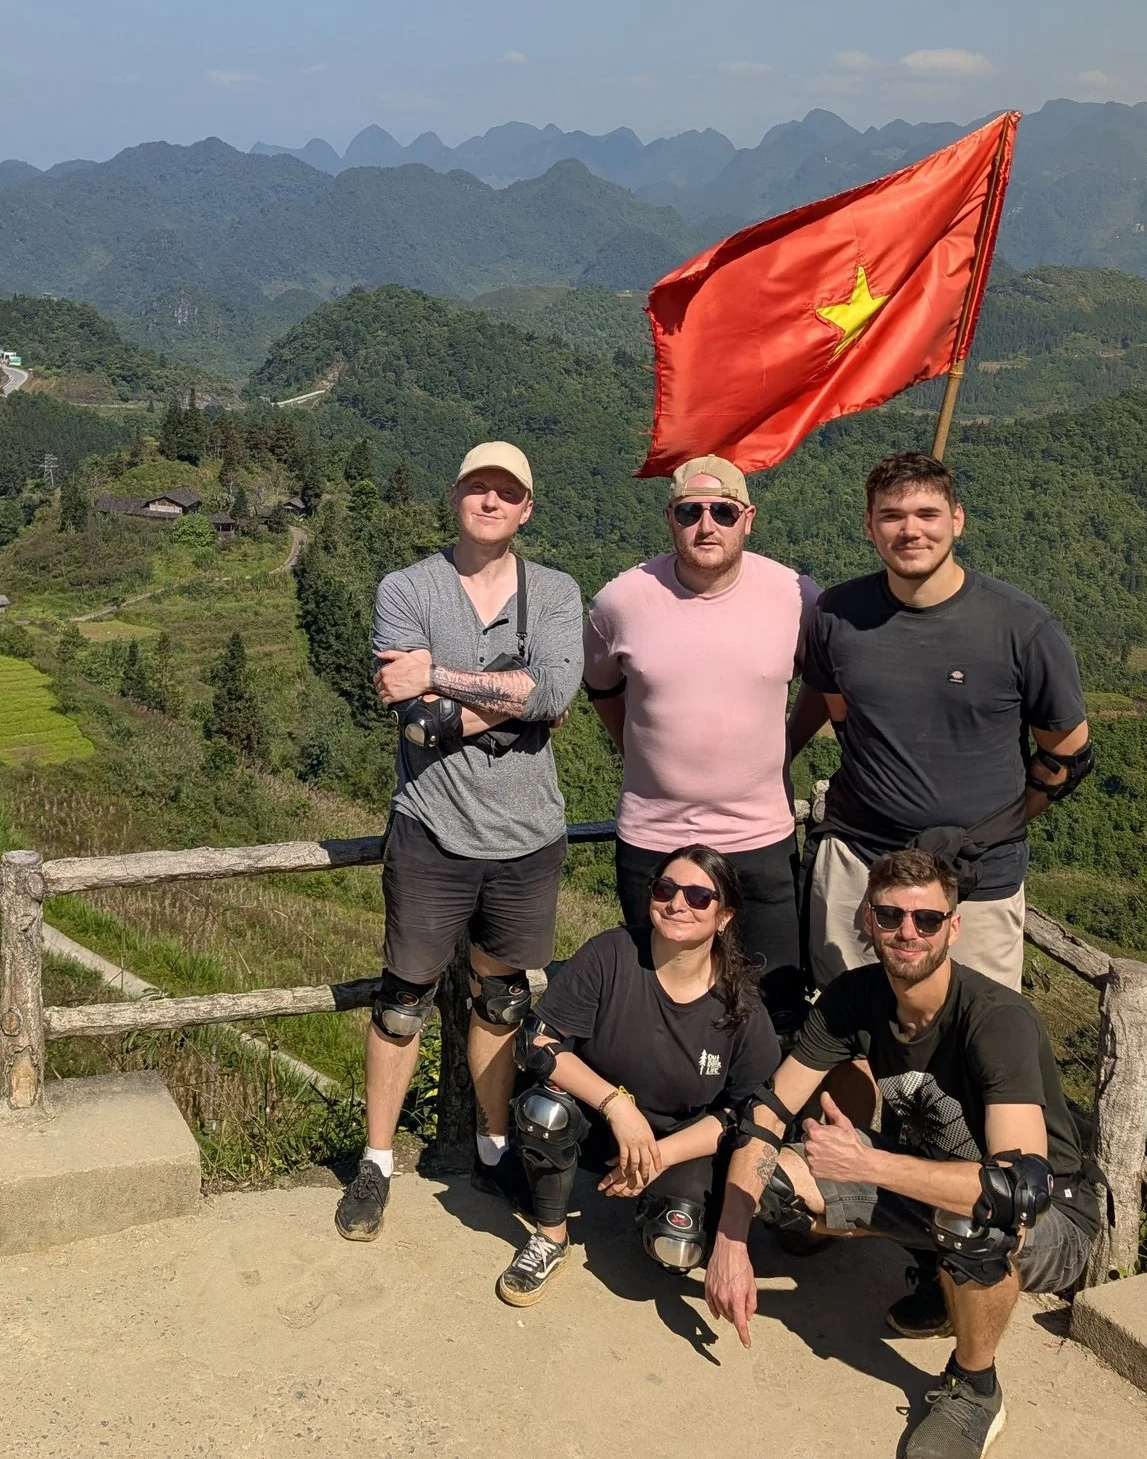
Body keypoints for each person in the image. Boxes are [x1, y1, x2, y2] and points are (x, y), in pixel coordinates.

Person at [702, 849, 1100, 1459]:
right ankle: (938, 1282)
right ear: (867, 918)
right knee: (780, 1186)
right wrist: (730, 1242)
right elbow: (766, 1114)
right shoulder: (852, 999)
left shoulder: (997, 1019)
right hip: (927, 1184)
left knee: (973, 1223)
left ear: (954, 926)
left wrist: (865, 1166)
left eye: (927, 919)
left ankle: (975, 1390)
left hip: (1052, 1220)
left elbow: (1020, 1187)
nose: (907, 932)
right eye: (890, 916)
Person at [335, 440, 584, 1242]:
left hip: (526, 836)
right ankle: (375, 1163)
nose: (490, 500)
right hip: (431, 832)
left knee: (502, 998)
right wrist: (514, 693)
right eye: (477, 485)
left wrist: (441, 678)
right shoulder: (407, 588)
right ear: (456, 495)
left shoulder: (554, 591)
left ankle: (493, 1141)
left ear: (525, 509)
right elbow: (415, 723)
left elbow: (554, 691)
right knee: (403, 1001)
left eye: (506, 491)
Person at [796, 449, 1092, 995]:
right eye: (892, 516)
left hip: (975, 878)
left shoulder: (1019, 627)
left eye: (928, 515)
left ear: (957, 519)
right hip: (859, 861)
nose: (911, 531)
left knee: (972, 1037)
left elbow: (1068, 753)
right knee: (843, 1031)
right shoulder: (836, 616)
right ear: (869, 526)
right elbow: (844, 718)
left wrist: (997, 824)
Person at [582, 455, 818, 1031]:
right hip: (655, 839)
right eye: (690, 511)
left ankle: (758, 1120)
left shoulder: (796, 597)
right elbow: (601, 689)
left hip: (759, 837)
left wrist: (787, 743)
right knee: (659, 1003)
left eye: (722, 511)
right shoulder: (620, 601)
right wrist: (638, 753)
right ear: (671, 517)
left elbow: (824, 684)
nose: (706, 525)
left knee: (774, 1005)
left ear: (748, 519)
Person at [492, 845, 778, 1305]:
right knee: (543, 1110)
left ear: (724, 916)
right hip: (598, 1123)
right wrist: (616, 1104)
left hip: (680, 1144)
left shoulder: (738, 1005)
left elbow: (744, 1114)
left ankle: (658, 1205)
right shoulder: (612, 954)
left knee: (675, 1248)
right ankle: (550, 1235)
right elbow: (539, 1044)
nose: (677, 903)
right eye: (665, 889)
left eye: (699, 897)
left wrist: (657, 1156)